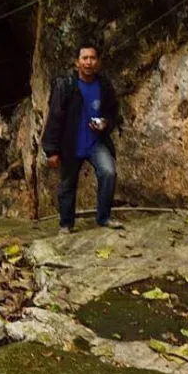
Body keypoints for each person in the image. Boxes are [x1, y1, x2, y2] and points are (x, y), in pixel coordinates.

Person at [42, 43, 123, 234]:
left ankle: (103, 217)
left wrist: (106, 123)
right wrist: (51, 150)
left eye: (92, 58)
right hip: (71, 144)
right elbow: (54, 117)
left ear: (98, 62)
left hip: (96, 142)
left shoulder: (104, 86)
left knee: (109, 172)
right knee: (67, 184)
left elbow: (113, 112)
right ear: (77, 62)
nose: (88, 62)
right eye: (84, 58)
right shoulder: (66, 86)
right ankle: (66, 224)